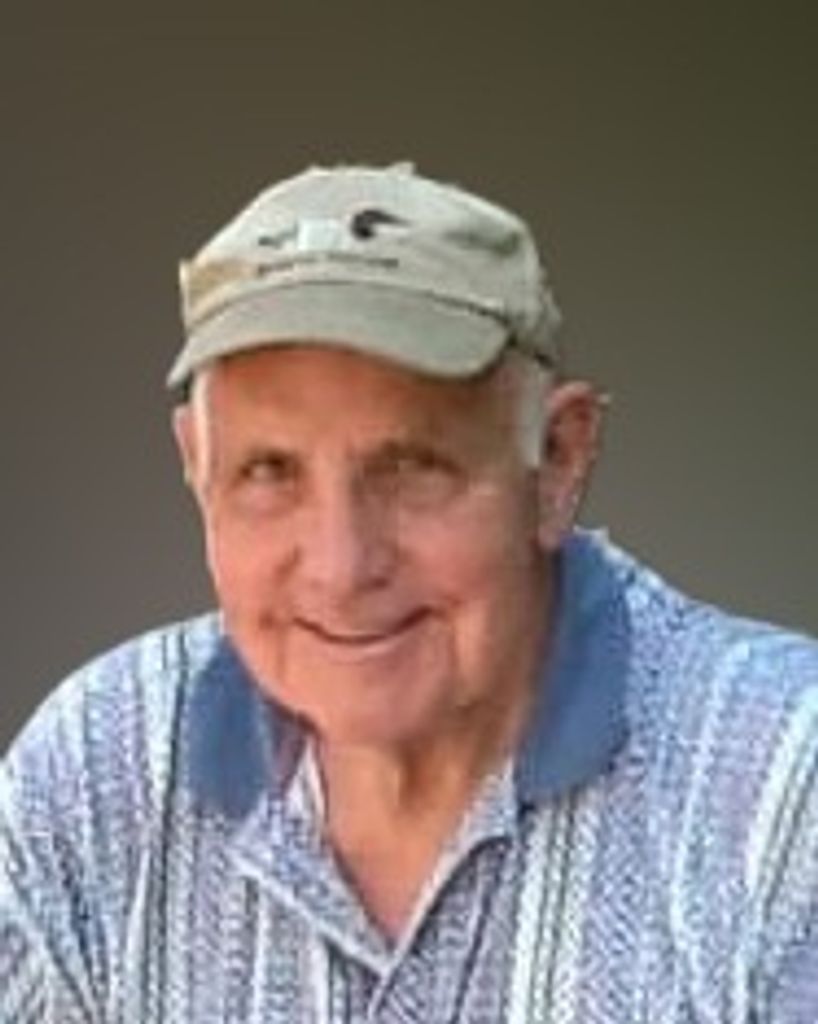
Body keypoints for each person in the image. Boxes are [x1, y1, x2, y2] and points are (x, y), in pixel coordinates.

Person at [2, 163, 817, 1024]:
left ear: (558, 462)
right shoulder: (99, 767)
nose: (341, 567)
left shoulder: (782, 788)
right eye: (269, 470)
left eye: (412, 468)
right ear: (197, 467)